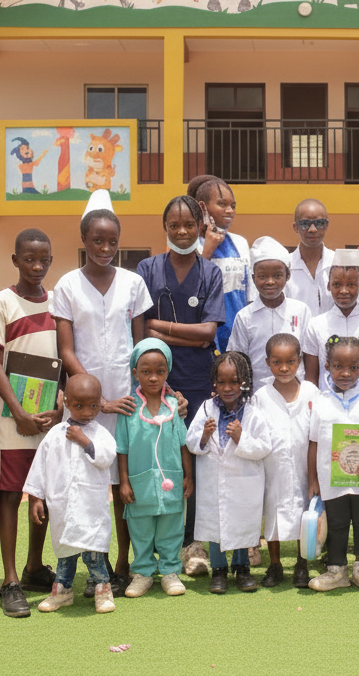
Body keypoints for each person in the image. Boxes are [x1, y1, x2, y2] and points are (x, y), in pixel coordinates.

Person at [52, 191, 152, 595]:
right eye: (97, 240)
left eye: (112, 241)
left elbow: (140, 346)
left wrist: (137, 395)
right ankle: (92, 565)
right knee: (83, 484)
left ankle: (125, 561)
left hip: (126, 402)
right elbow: (66, 351)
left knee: (122, 485)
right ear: (83, 239)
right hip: (83, 404)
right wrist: (96, 401)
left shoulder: (133, 283)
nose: (105, 248)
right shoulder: (67, 285)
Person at [135, 195, 225, 577]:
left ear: (201, 226)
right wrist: (168, 334)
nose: (182, 231)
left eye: (189, 224)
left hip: (199, 380)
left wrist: (162, 329)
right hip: (157, 381)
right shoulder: (147, 269)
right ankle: (158, 546)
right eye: (174, 225)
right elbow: (142, 328)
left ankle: (193, 544)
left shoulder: (211, 273)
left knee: (197, 461)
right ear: (165, 228)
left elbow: (208, 333)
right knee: (159, 459)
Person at [0, 227, 61, 617]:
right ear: (15, 260)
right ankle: (11, 579)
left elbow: (65, 357)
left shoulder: (58, 301)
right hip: (12, 418)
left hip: (47, 417)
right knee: (12, 494)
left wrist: (60, 406)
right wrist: (17, 412)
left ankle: (34, 567)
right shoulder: (2, 303)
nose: (36, 266)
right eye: (29, 259)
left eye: (43, 260)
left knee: (42, 493)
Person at [25, 374, 118, 615]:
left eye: (93, 406)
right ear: (66, 402)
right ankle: (62, 591)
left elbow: (107, 457)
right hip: (63, 507)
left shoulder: (100, 434)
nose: (87, 412)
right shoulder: (55, 434)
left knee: (93, 554)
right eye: (79, 406)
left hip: (90, 508)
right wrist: (35, 498)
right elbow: (40, 467)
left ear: (100, 402)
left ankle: (103, 590)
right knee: (65, 554)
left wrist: (84, 441)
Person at [307, 336, 359, 592]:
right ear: (327, 366)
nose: (346, 373)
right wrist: (313, 479)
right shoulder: (321, 400)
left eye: (354, 367)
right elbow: (313, 442)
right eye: (338, 367)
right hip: (331, 478)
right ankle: (337, 570)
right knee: (337, 523)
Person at [187, 351, 273, 593]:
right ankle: (219, 569)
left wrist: (241, 438)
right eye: (221, 382)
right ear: (214, 382)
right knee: (216, 526)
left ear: (244, 381)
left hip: (244, 482)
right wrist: (204, 436)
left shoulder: (253, 412)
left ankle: (242, 568)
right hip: (213, 481)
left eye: (234, 381)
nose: (227, 388)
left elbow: (264, 446)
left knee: (242, 525)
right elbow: (191, 441)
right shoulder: (206, 409)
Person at [115, 339, 193, 598]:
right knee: (141, 529)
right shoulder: (128, 408)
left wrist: (188, 476)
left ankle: (170, 571)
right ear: (135, 373)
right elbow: (122, 448)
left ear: (167, 372)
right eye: (145, 372)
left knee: (171, 527)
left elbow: (183, 444)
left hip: (172, 480)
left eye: (160, 371)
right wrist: (124, 481)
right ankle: (143, 573)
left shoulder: (174, 406)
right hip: (139, 482)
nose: (153, 377)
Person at [253, 333, 319, 588]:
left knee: (306, 514)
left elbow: (318, 434)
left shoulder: (311, 392)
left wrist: (314, 476)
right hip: (273, 468)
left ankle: (302, 564)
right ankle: (275, 564)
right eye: (277, 362)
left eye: (290, 361)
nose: (284, 368)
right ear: (267, 362)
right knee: (273, 513)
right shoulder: (261, 396)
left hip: (306, 467)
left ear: (299, 361)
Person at [227, 236, 311, 388]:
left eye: (277, 275)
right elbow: (237, 359)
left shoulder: (301, 311)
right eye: (262, 276)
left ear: (287, 276)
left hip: (297, 392)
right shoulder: (245, 316)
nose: (270, 281)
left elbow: (309, 354)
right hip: (257, 393)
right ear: (253, 278)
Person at [302, 249, 359, 393]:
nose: (344, 291)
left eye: (351, 284)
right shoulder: (316, 325)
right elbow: (311, 376)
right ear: (328, 286)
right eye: (337, 284)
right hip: (327, 401)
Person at [189, 175, 251, 350]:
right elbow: (189, 289)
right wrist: (208, 249)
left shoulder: (240, 243)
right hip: (204, 337)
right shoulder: (190, 244)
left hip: (238, 334)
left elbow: (249, 295)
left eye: (233, 206)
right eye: (222, 204)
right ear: (202, 207)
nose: (229, 211)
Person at [286, 198, 335, 315]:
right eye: (305, 224)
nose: (313, 229)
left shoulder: (337, 262)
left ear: (327, 225)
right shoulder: (285, 266)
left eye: (320, 223)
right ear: (295, 227)